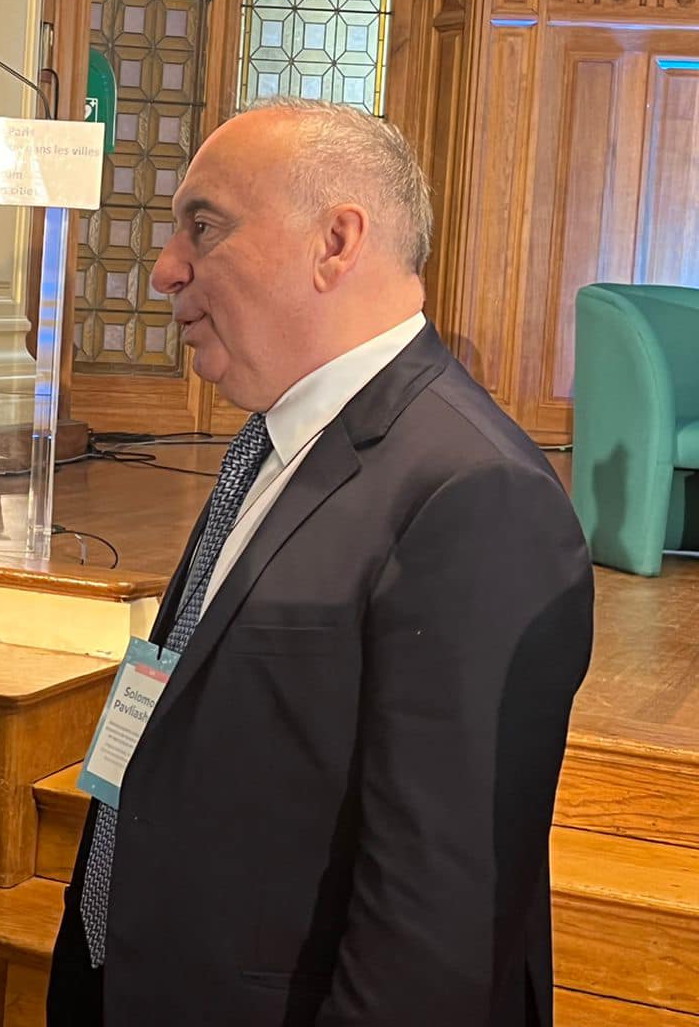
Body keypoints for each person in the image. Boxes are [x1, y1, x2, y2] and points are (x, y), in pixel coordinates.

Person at [47, 98, 594, 1027]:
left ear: (335, 243)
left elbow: (438, 926)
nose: (165, 268)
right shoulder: (273, 438)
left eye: (204, 226)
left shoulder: (477, 494)